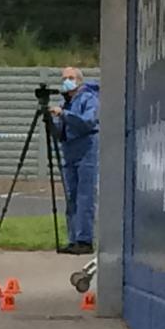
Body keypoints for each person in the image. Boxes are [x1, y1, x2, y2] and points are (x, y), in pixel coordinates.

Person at [49, 67, 99, 255]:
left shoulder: (89, 98)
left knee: (85, 195)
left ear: (79, 80)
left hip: (86, 149)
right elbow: (59, 132)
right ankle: (73, 238)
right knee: (71, 196)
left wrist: (64, 115)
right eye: (64, 78)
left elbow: (87, 122)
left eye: (70, 78)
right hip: (69, 151)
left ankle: (84, 239)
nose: (67, 81)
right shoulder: (64, 102)